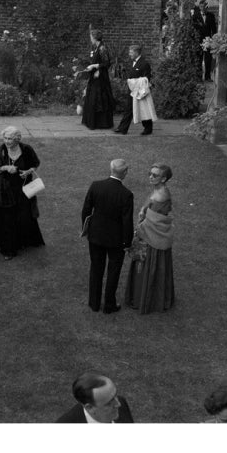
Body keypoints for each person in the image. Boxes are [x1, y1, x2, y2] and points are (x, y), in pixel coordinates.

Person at [81, 159, 134, 314]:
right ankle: (109, 305)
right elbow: (127, 221)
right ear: (125, 173)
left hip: (95, 236)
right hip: (116, 240)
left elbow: (86, 210)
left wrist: (86, 228)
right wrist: (127, 242)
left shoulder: (96, 186)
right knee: (113, 271)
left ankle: (94, 303)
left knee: (96, 269)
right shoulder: (126, 194)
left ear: (111, 169)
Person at [124, 162, 176, 314]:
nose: (150, 177)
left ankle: (145, 298)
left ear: (164, 179)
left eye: (155, 175)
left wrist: (139, 224)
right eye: (150, 174)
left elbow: (152, 221)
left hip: (152, 239)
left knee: (146, 267)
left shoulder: (161, 195)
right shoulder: (158, 191)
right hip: (150, 236)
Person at [0, 125, 44, 260]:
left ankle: (24, 242)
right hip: (5, 191)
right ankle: (8, 249)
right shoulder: (2, 150)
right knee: (7, 219)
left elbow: (35, 164)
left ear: (17, 139)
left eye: (10, 139)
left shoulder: (26, 149)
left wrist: (28, 172)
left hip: (23, 189)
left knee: (23, 217)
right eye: (5, 138)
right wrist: (5, 167)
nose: (7, 141)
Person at [55, 372, 134, 423]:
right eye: (109, 403)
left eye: (115, 395)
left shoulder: (121, 403)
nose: (118, 404)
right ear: (90, 407)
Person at [114, 43, 156, 136]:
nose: (129, 54)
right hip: (132, 90)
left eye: (131, 52)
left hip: (140, 91)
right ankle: (122, 129)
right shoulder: (133, 62)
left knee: (144, 109)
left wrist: (136, 83)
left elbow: (147, 78)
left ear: (137, 53)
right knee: (128, 108)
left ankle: (148, 129)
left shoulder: (144, 64)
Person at [79, 28, 114, 130]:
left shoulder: (102, 48)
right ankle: (91, 121)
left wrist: (95, 66)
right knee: (92, 97)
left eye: (91, 36)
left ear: (94, 37)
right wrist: (92, 67)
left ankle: (100, 123)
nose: (90, 38)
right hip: (95, 76)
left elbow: (107, 63)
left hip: (101, 79)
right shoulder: (96, 47)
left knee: (98, 99)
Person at [199, 0, 218, 81]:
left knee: (208, 60)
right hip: (198, 41)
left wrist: (213, 40)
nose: (202, 8)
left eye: (203, 6)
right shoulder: (195, 16)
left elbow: (214, 29)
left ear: (206, 7)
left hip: (208, 41)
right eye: (200, 7)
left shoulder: (211, 16)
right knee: (199, 59)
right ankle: (198, 77)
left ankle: (207, 77)